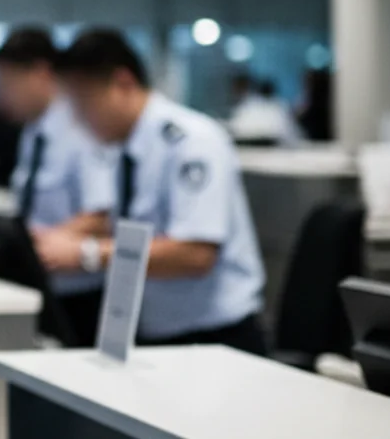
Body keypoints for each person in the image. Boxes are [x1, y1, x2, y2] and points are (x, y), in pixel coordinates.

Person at [39, 28, 267, 355]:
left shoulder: (190, 142)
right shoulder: (122, 148)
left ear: (123, 83)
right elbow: (126, 227)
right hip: (153, 331)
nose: (78, 120)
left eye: (84, 103)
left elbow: (194, 254)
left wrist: (87, 254)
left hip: (213, 339)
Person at [0, 28, 115, 347]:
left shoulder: (81, 129)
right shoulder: (33, 132)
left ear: (41, 73)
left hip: (81, 292)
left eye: (9, 84)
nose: (3, 96)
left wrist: (44, 243)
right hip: (42, 282)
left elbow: (101, 215)